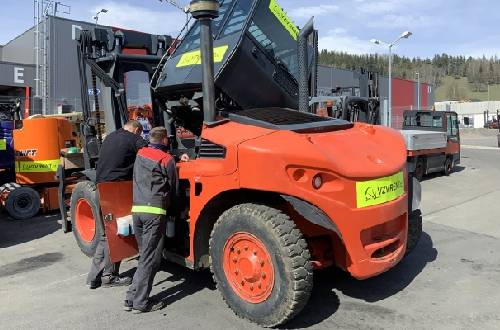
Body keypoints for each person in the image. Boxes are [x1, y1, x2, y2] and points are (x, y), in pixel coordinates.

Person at [124, 126, 181, 313]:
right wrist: (177, 209)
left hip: (137, 211)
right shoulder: (167, 159)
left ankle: (131, 297)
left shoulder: (140, 154)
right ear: (164, 140)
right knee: (149, 258)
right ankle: (140, 302)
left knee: (145, 256)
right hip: (154, 212)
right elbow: (174, 188)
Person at [87, 120, 148, 289]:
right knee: (118, 232)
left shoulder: (110, 137)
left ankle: (94, 277)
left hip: (101, 188)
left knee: (106, 233)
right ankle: (109, 276)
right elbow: (150, 154)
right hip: (116, 190)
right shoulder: (134, 139)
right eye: (140, 133)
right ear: (136, 130)